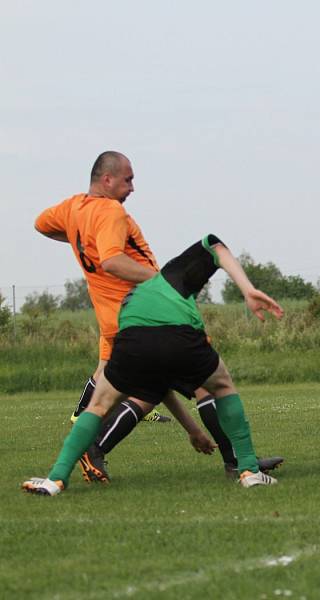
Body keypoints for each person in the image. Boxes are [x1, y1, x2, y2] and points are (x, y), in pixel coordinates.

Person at [34, 151, 282, 482]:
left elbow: (41, 224)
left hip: (114, 319)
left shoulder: (72, 208)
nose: (133, 187)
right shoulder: (110, 210)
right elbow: (111, 261)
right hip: (147, 312)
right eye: (128, 179)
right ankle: (240, 462)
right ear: (107, 180)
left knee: (140, 392)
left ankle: (83, 456)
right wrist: (164, 284)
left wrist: (79, 238)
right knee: (207, 384)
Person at [23, 234, 283, 494]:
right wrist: (248, 289)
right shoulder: (173, 275)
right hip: (181, 336)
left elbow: (160, 387)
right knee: (222, 386)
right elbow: (215, 245)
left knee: (98, 405)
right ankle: (248, 469)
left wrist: (193, 431)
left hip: (132, 340)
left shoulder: (131, 299)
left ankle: (56, 479)